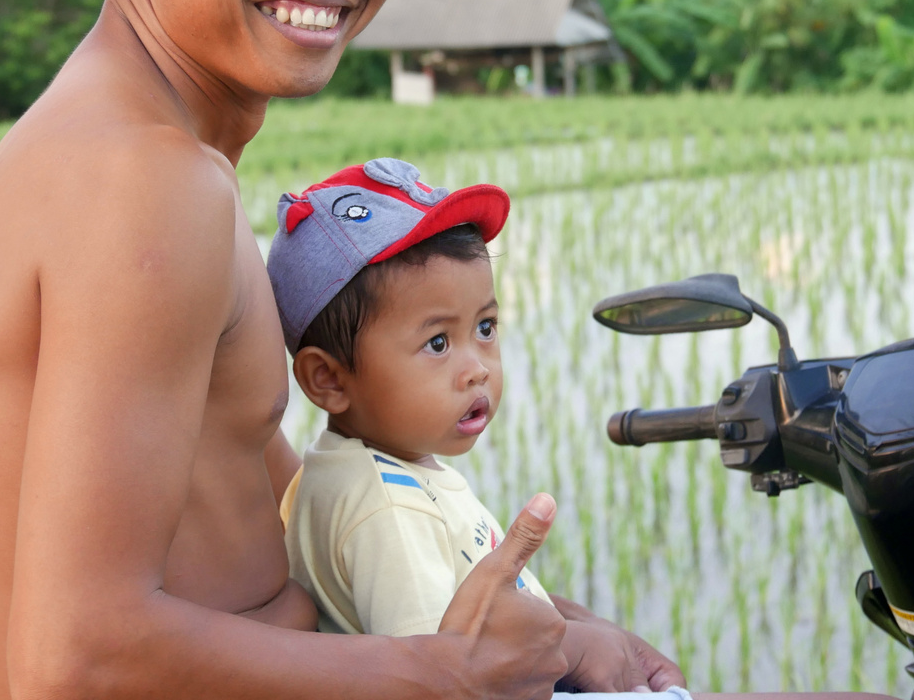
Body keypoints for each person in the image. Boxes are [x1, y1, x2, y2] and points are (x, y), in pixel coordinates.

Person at [0, 0, 893, 700]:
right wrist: (436, 674)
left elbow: (277, 505)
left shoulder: (122, 150)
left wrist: (552, 629)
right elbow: (77, 658)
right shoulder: (144, 184)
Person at [271, 158, 683, 693]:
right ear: (328, 378)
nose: (478, 367)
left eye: (485, 327)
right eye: (437, 342)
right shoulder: (385, 506)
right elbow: (442, 670)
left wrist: (574, 621)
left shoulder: (369, 468)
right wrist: (576, 647)